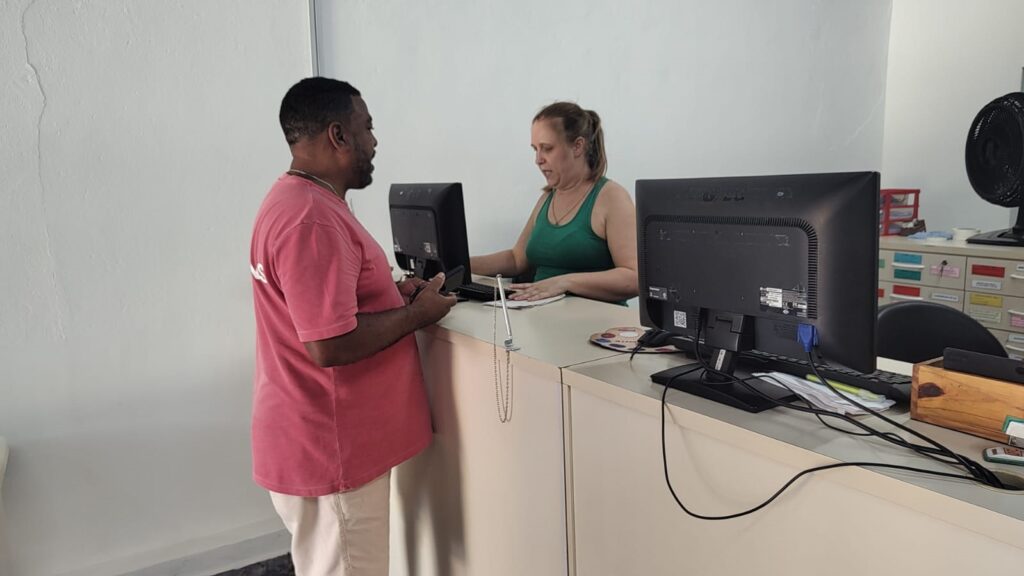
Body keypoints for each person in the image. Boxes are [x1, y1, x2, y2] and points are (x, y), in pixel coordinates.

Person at [249, 77, 456, 576]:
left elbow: (328, 306)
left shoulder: (296, 201)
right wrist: (415, 315)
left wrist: (391, 295)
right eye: (368, 127)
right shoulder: (311, 219)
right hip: (331, 447)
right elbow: (328, 342)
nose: (375, 140)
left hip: (319, 438)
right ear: (338, 135)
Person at [470, 102, 638, 303]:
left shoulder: (612, 197)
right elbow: (517, 259)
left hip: (596, 324)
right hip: (540, 318)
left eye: (547, 149)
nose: (538, 160)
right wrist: (458, 264)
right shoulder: (547, 199)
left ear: (577, 146)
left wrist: (565, 282)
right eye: (535, 149)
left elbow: (634, 277)